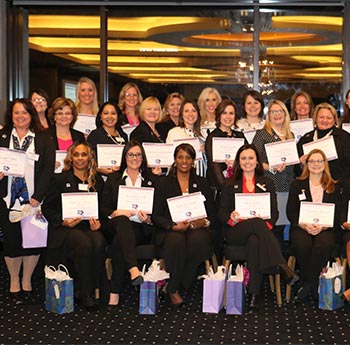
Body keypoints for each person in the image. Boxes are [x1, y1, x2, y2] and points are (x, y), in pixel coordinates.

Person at [219, 144, 299, 310]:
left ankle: (254, 293)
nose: (247, 162)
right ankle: (282, 265)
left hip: (259, 233)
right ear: (238, 162)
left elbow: (274, 212)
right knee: (256, 223)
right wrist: (231, 218)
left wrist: (267, 226)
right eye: (243, 158)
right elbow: (221, 213)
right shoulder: (229, 184)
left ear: (257, 162)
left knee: (255, 240)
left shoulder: (267, 182)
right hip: (236, 230)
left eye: (251, 158)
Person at [0, 98, 55, 304]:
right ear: (10, 116)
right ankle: (14, 280)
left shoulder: (43, 137)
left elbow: (48, 168)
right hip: (7, 199)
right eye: (16, 113)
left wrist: (38, 196)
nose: (20, 116)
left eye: (24, 112)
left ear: (31, 114)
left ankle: (27, 279)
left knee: (32, 240)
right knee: (12, 241)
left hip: (33, 199)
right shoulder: (3, 136)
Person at [42, 141, 107, 311]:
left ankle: (94, 289)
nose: (80, 158)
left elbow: (102, 207)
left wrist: (98, 223)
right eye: (76, 154)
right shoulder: (59, 179)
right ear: (70, 157)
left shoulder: (97, 180)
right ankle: (86, 293)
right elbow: (47, 208)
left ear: (89, 157)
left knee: (99, 241)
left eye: (84, 154)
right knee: (83, 243)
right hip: (65, 229)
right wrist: (63, 221)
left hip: (88, 227)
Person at [152, 143, 215, 307]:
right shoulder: (163, 183)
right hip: (171, 229)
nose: (184, 161)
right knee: (176, 241)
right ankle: (175, 288)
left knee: (198, 242)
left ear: (193, 160)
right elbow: (156, 215)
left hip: (196, 228)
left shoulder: (202, 182)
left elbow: (211, 213)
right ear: (174, 159)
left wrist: (204, 222)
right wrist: (173, 226)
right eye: (180, 157)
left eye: (188, 157)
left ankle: (172, 285)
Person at [100, 141, 159, 307]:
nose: (135, 158)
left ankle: (115, 290)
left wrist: (148, 219)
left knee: (120, 242)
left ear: (143, 157)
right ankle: (133, 269)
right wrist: (117, 212)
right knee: (122, 221)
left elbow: (158, 209)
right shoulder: (113, 179)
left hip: (142, 227)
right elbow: (103, 207)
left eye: (138, 154)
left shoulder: (151, 180)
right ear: (124, 157)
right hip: (116, 224)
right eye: (131, 154)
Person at [287, 149, 342, 302]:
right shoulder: (297, 184)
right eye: (312, 161)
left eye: (320, 161)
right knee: (302, 244)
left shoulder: (333, 186)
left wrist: (323, 226)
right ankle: (313, 284)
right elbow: (291, 211)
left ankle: (307, 285)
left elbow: (338, 213)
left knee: (322, 245)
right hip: (302, 227)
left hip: (326, 228)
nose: (316, 164)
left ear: (325, 164)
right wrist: (304, 225)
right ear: (307, 164)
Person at [297, 102, 350, 180]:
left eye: (329, 118)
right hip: (311, 185)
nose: (325, 120)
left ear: (334, 120)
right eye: (321, 117)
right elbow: (297, 170)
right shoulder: (306, 139)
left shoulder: (344, 137)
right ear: (316, 119)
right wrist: (301, 164)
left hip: (337, 185)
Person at [205, 99, 247, 190]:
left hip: (239, 186)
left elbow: (248, 159)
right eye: (224, 113)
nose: (228, 117)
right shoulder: (212, 137)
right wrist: (226, 187)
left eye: (231, 113)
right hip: (219, 189)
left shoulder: (240, 136)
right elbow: (214, 166)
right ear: (219, 115)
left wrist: (236, 164)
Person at [166, 100, 207, 177]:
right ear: (181, 115)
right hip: (182, 177)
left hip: (202, 178)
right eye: (186, 111)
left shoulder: (204, 134)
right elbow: (170, 159)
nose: (190, 114)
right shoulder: (174, 132)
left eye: (193, 111)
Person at [87, 101, 128, 175]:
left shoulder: (123, 135)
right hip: (100, 178)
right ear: (100, 116)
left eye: (113, 113)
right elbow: (88, 160)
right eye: (106, 113)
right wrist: (100, 169)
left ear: (118, 116)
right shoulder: (95, 135)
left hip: (120, 177)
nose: (110, 116)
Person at [47, 97, 85, 171]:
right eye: (60, 113)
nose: (64, 116)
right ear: (54, 117)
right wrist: (49, 166)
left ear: (72, 116)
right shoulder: (44, 136)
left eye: (67, 113)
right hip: (51, 179)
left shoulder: (79, 136)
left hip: (73, 178)